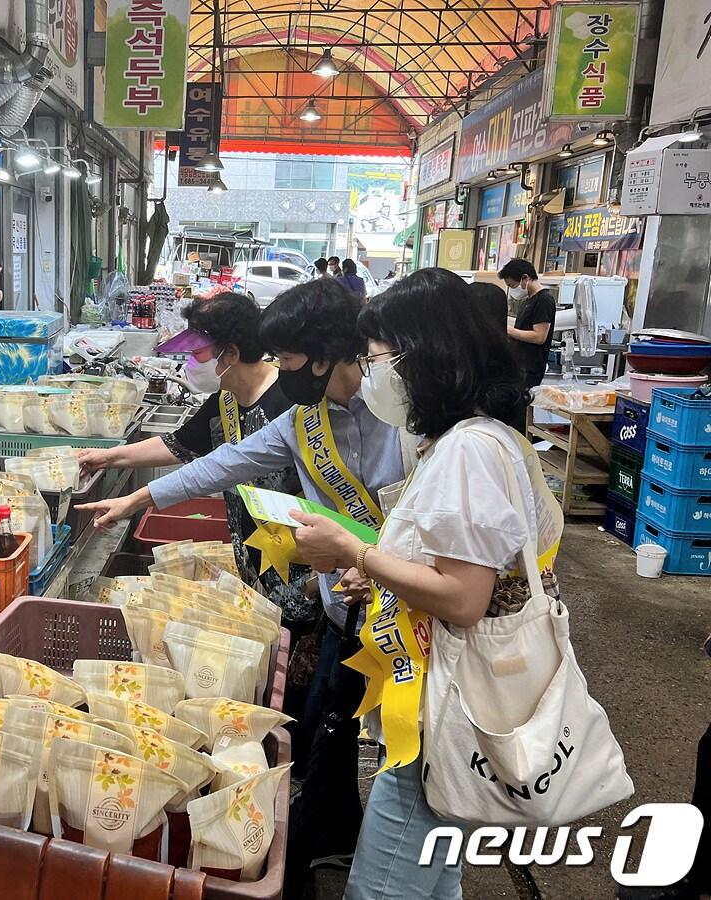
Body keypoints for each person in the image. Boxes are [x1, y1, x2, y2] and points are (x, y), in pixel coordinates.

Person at [78, 278, 406, 873]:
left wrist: (377, 562)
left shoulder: (401, 416)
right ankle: (332, 834)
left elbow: (426, 518)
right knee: (330, 722)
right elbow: (223, 462)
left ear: (328, 351)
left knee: (387, 745)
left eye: (287, 356)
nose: (280, 368)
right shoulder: (303, 418)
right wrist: (139, 498)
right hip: (344, 609)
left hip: (403, 613)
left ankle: (358, 846)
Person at [290, 267, 562, 899]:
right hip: (445, 708)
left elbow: (464, 600)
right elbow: (457, 569)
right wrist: (379, 574)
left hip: (445, 716)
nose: (371, 372)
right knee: (435, 879)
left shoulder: (468, 450)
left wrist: (352, 547)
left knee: (382, 886)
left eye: (378, 357)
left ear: (426, 357)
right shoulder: (479, 438)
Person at [77, 292, 314, 647]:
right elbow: (180, 445)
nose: (190, 362)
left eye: (198, 352)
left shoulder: (287, 401)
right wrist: (109, 457)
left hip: (303, 567)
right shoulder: (227, 398)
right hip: (254, 561)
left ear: (231, 354)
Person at [499, 258, 555, 389]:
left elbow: (540, 337)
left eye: (512, 286)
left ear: (525, 278)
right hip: (520, 365)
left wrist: (508, 330)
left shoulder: (544, 300)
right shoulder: (527, 301)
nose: (513, 290)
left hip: (531, 369)